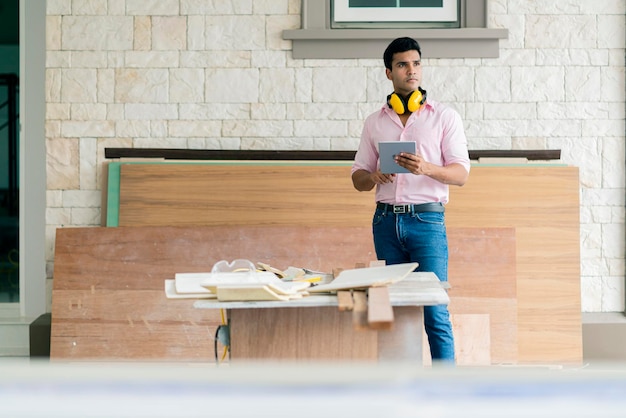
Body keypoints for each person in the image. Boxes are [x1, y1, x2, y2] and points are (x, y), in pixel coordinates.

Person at [351, 37, 470, 364]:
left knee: (435, 308)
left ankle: (445, 391)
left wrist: (427, 168)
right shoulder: (374, 122)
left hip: (427, 222)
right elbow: (357, 177)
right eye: (403, 64)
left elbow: (461, 174)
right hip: (385, 222)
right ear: (389, 72)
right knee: (395, 308)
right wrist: (373, 176)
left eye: (416, 63)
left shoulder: (444, 117)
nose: (411, 70)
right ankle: (398, 389)